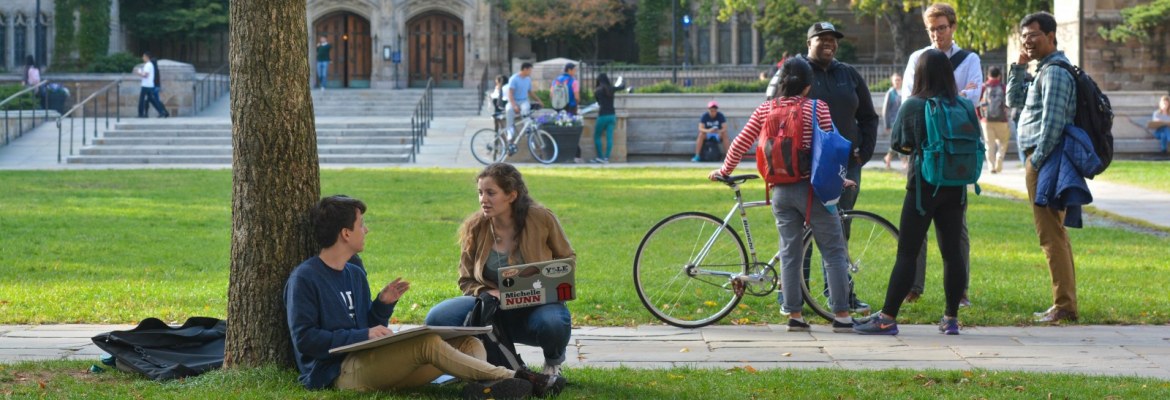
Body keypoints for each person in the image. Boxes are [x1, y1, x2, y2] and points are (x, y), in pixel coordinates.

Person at [285, 195, 564, 398]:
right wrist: (365, 335)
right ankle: (517, 377)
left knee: (468, 342)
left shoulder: (354, 272)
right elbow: (307, 340)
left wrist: (381, 307)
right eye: (361, 224)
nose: (366, 230)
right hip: (338, 373)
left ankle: (484, 389)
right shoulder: (305, 278)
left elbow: (365, 326)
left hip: (373, 361)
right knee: (426, 342)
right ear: (345, 233)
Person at [709, 57, 857, 333]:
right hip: (812, 190)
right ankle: (842, 315)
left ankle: (795, 315)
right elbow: (830, 147)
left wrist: (725, 169)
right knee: (834, 250)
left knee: (790, 252)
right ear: (807, 86)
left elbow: (742, 140)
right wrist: (841, 179)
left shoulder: (766, 108)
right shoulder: (817, 107)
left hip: (779, 191)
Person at [853, 49, 978, 336]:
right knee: (952, 254)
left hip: (922, 187)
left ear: (920, 74)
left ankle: (887, 317)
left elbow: (899, 143)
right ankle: (951, 319)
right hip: (956, 186)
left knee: (907, 251)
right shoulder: (963, 105)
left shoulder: (914, 105)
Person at [426, 163, 575, 378]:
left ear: (511, 195)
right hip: (492, 307)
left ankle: (553, 363)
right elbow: (466, 279)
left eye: (490, 193)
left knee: (552, 322)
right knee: (438, 317)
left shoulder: (541, 218)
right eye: (480, 193)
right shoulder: (476, 226)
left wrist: (545, 284)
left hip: (537, 304)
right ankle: (473, 359)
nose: (483, 199)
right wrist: (486, 293)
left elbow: (566, 258)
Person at [899, 3, 979, 306]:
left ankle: (960, 291)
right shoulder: (917, 58)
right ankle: (913, 285)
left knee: (956, 227)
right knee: (916, 222)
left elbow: (973, 99)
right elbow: (911, 100)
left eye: (942, 28)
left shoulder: (968, 59)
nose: (937, 34)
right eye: (931, 29)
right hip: (924, 148)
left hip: (956, 150)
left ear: (953, 27)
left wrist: (946, 98)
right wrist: (954, 96)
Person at [799, 21, 880, 313]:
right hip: (806, 165)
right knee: (802, 227)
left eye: (833, 39)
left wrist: (865, 152)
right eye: (822, 39)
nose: (829, 43)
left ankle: (840, 294)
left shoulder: (849, 74)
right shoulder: (797, 71)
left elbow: (869, 116)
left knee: (839, 228)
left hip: (846, 166)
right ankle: (795, 294)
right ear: (809, 42)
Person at [1006, 11, 1080, 324]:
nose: (1028, 42)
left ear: (1051, 36)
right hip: (1038, 157)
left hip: (1045, 159)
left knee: (1050, 234)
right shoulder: (1042, 70)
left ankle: (1064, 305)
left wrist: (1036, 161)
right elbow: (1014, 100)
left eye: (1034, 35)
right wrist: (1019, 66)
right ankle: (1065, 303)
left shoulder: (1056, 73)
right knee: (1054, 233)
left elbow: (1053, 123)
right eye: (1024, 37)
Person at [979, 66, 1012, 172]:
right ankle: (1000, 158)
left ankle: (991, 166)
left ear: (988, 75)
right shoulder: (1003, 87)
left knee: (989, 144)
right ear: (999, 76)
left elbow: (977, 104)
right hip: (1002, 120)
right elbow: (1008, 103)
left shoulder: (983, 87)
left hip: (986, 120)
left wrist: (980, 117)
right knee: (1003, 141)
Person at [551, 63, 583, 162]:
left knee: (559, 131)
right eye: (574, 70)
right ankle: (575, 155)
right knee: (571, 132)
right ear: (569, 70)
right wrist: (577, 104)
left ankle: (558, 152)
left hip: (558, 108)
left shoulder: (555, 80)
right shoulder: (573, 81)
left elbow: (551, 94)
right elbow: (577, 97)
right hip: (571, 108)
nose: (575, 72)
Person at [591, 73, 625, 164]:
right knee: (610, 138)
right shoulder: (611, 89)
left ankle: (600, 157)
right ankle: (606, 158)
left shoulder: (597, 91)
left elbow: (598, 103)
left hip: (602, 116)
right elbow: (622, 86)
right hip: (612, 116)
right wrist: (621, 78)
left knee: (597, 136)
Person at [506, 63, 543, 142]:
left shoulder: (528, 79)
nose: (531, 72)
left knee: (526, 109)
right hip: (514, 100)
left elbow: (530, 92)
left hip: (524, 100)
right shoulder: (514, 79)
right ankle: (509, 130)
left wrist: (539, 100)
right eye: (530, 70)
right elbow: (510, 93)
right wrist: (514, 105)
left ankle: (527, 129)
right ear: (525, 69)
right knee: (509, 110)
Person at [883, 73, 907, 170]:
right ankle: (904, 162)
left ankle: (888, 157)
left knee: (897, 141)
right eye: (895, 80)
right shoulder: (890, 93)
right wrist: (886, 124)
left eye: (899, 79)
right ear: (892, 82)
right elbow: (885, 110)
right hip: (893, 121)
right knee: (900, 140)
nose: (897, 81)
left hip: (903, 121)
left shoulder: (904, 91)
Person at [135, 52, 169, 118]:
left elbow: (145, 75)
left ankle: (140, 114)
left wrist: (139, 72)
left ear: (147, 57)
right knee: (152, 99)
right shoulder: (150, 65)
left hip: (145, 85)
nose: (142, 58)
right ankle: (161, 111)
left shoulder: (148, 65)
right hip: (150, 85)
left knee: (142, 99)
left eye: (143, 56)